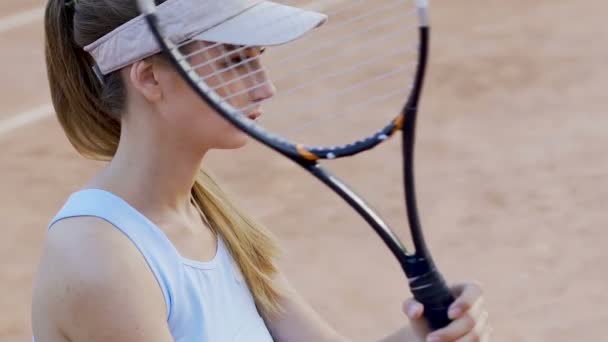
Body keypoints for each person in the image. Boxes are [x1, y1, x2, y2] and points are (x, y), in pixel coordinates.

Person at [31, 0, 491, 341]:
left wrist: (425, 336)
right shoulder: (97, 257)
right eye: (235, 60)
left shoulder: (209, 216)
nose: (265, 87)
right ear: (150, 78)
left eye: (258, 58)